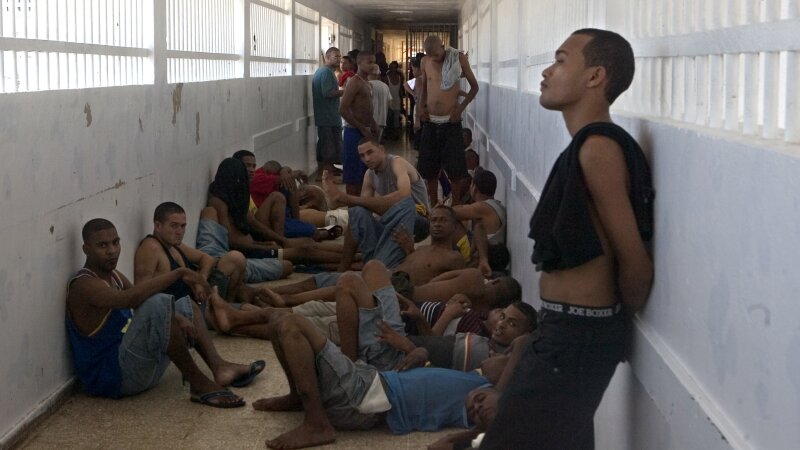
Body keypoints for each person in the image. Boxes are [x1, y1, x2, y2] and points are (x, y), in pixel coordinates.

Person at [480, 29, 655, 450]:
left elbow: (635, 262)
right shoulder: (585, 145)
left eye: (560, 60)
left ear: (595, 76)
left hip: (578, 335)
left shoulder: (598, 148)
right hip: (566, 328)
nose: (546, 71)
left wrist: (605, 325)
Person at [66, 219, 263, 407]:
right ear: (86, 249)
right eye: (102, 246)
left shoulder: (114, 276)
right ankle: (199, 385)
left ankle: (220, 367)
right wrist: (179, 273)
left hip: (137, 368)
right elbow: (130, 300)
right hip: (114, 379)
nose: (112, 251)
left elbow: (140, 304)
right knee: (159, 302)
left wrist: (177, 317)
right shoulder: (84, 285)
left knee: (186, 306)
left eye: (115, 243)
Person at [253, 311, 492, 449]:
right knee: (277, 321)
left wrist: (455, 439)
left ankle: (317, 423)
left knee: (292, 324)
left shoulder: (492, 400)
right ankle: (298, 396)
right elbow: (432, 381)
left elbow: (490, 426)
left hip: (365, 397)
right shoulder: (476, 382)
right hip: (369, 379)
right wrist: (419, 353)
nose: (477, 405)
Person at [324, 137, 432, 273]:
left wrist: (345, 198)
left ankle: (380, 265)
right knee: (357, 213)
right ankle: (352, 267)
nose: (367, 159)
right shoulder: (369, 175)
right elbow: (365, 207)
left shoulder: (397, 163)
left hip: (417, 219)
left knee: (404, 204)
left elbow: (404, 195)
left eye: (370, 152)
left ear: (381, 149)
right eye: (362, 156)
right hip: (392, 219)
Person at [134, 201, 265, 304]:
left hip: (200, 298)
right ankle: (229, 308)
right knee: (252, 311)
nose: (180, 231)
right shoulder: (151, 248)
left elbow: (206, 258)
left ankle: (228, 304)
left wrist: (200, 279)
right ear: (158, 226)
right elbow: (141, 292)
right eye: (174, 226)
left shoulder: (173, 245)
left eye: (183, 226)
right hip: (185, 308)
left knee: (236, 258)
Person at [378, 302, 537, 372]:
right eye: (502, 317)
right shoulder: (487, 342)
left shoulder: (498, 362)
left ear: (526, 336)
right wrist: (420, 319)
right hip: (399, 341)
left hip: (396, 354)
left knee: (375, 271)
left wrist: (406, 346)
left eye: (513, 324)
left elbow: (440, 378)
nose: (501, 324)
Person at [417, 35, 479, 207]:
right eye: (432, 56)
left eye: (438, 55)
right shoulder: (425, 62)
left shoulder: (458, 58)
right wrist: (420, 107)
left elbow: (475, 87)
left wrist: (460, 108)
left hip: (450, 123)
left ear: (443, 47)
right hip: (430, 122)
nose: (436, 59)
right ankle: (434, 204)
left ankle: (456, 206)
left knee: (456, 170)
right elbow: (424, 87)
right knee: (429, 170)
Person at [452, 170, 507, 274]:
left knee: (448, 221)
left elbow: (450, 213)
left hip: (487, 255)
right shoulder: (495, 205)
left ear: (474, 188)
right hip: (488, 251)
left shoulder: (483, 207)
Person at [339, 51, 378, 196]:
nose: (373, 65)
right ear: (359, 63)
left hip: (364, 131)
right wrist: (361, 127)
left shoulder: (367, 83)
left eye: (374, 62)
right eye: (369, 62)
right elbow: (342, 109)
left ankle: (365, 209)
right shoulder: (354, 82)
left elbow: (365, 108)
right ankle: (353, 211)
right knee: (353, 176)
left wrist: (372, 123)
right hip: (354, 133)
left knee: (365, 174)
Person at [312, 47, 344, 178]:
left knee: (327, 146)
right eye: (335, 56)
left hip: (329, 117)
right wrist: (346, 91)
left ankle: (324, 173)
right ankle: (326, 176)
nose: (339, 59)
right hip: (327, 117)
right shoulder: (325, 72)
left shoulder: (327, 72)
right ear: (327, 57)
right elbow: (328, 93)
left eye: (339, 56)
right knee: (328, 148)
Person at [367, 63, 392, 143]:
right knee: (376, 143)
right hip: (382, 120)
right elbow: (389, 103)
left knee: (369, 144)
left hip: (369, 121)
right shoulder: (385, 86)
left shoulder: (367, 85)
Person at [385, 61, 404, 140]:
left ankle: (396, 135)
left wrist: (402, 101)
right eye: (391, 67)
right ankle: (389, 134)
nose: (392, 69)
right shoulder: (386, 77)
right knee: (388, 119)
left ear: (396, 68)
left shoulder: (399, 77)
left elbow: (400, 91)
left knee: (396, 119)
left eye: (394, 67)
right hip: (388, 101)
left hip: (397, 100)